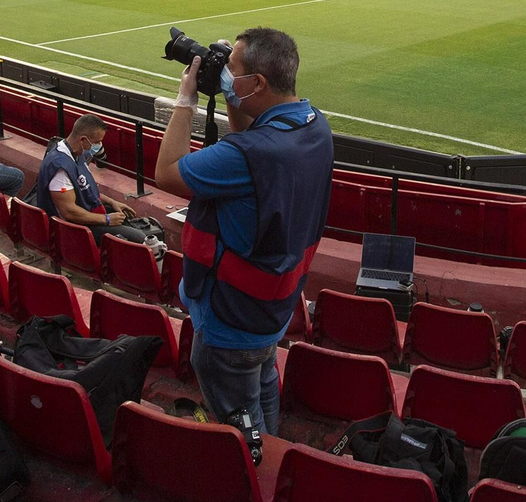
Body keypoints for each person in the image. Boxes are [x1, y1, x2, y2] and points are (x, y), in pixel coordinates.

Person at [155, 28, 334, 435]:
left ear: (258, 83)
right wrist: (235, 98)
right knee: (263, 379)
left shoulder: (249, 156)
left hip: (228, 321)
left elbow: (166, 172)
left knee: (240, 421)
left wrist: (186, 100)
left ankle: (253, 466)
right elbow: (250, 143)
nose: (224, 76)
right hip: (272, 305)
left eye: (230, 70)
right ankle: (270, 447)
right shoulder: (315, 127)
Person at [33, 113, 147, 243]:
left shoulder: (76, 154)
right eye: (97, 142)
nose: (99, 146)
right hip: (72, 229)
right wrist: (107, 219)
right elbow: (69, 212)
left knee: (131, 220)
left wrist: (111, 202)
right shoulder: (60, 168)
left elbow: (85, 190)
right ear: (83, 140)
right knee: (139, 238)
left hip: (85, 217)